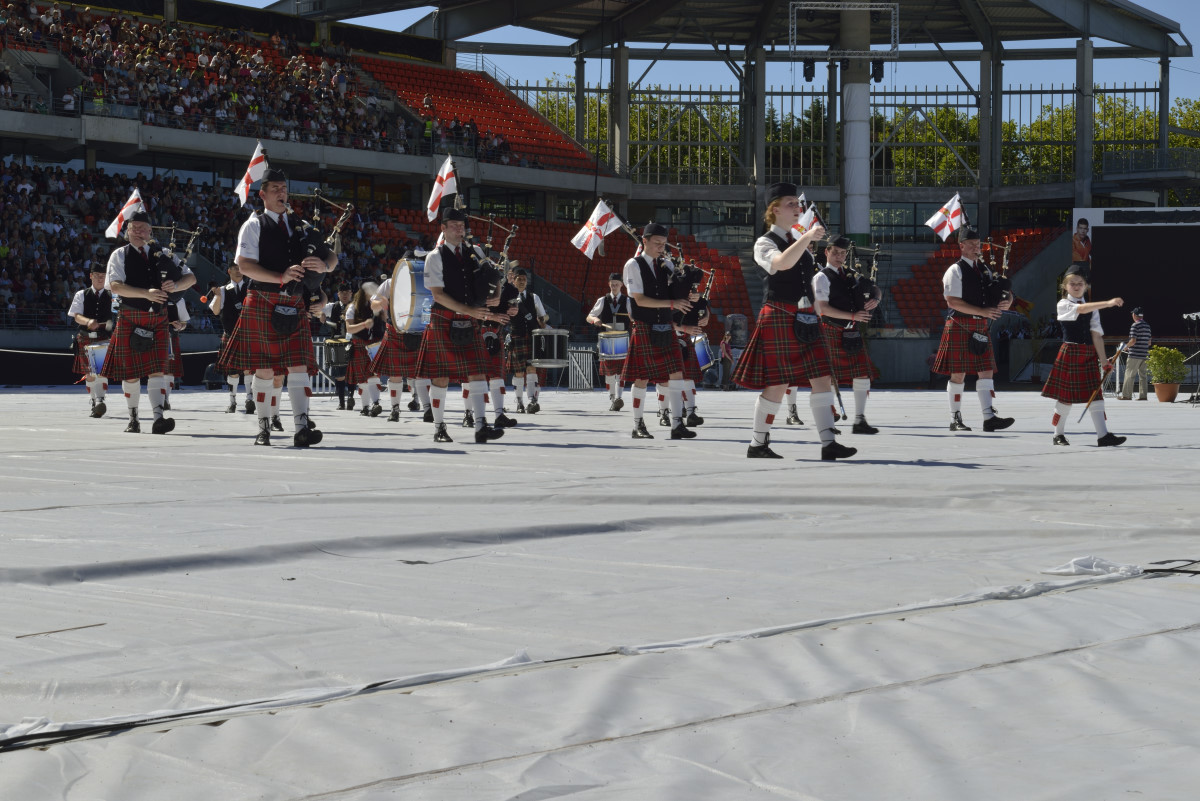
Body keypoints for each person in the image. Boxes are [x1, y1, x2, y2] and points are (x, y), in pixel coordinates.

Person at [732, 184, 855, 460]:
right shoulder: (765, 243)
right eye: (790, 203)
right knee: (777, 382)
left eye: (797, 204)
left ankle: (828, 442)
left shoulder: (800, 244)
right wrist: (808, 236)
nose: (797, 207)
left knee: (822, 378)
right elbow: (782, 264)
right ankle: (757, 443)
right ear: (774, 209)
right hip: (779, 314)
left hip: (806, 317)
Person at [218, 167, 337, 447]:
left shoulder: (303, 226)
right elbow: (245, 266)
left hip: (294, 302)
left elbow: (330, 257)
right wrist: (280, 277)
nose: (281, 193)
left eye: (284, 188)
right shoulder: (254, 225)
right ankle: (263, 428)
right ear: (263, 194)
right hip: (263, 298)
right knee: (265, 370)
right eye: (275, 189)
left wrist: (325, 267)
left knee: (298, 367)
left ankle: (301, 427)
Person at [411, 206, 509, 444]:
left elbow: (492, 274)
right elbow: (437, 295)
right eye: (453, 226)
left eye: (462, 226)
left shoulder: (475, 251)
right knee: (441, 377)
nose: (459, 229)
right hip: (444, 319)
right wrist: (470, 310)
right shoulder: (435, 257)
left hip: (468, 319)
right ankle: (439, 427)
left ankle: (481, 426)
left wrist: (495, 294)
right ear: (443, 228)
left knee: (477, 373)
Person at [104, 210, 196, 434]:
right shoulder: (120, 254)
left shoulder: (163, 253)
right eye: (133, 228)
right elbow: (115, 286)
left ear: (150, 231)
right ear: (127, 232)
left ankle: (158, 418)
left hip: (158, 318)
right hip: (130, 315)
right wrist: (147, 293)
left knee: (157, 369)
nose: (137, 232)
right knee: (131, 372)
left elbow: (191, 278)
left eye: (142, 228)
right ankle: (133, 418)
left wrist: (176, 286)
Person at [931, 226, 1015, 432]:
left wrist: (1008, 300)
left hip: (980, 325)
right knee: (958, 374)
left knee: (986, 371)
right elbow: (952, 302)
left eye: (978, 244)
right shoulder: (955, 270)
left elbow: (1000, 293)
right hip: (960, 324)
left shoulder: (985, 269)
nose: (976, 247)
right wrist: (984, 311)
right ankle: (955, 418)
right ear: (961, 246)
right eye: (972, 244)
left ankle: (989, 417)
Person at [621, 222, 697, 441]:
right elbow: (639, 299)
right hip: (645, 326)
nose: (661, 248)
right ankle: (638, 425)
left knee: (676, 374)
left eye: (663, 244)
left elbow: (676, 289)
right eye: (656, 243)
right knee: (642, 378)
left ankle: (677, 425)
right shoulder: (633, 265)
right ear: (644, 241)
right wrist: (673, 303)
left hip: (665, 326)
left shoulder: (666, 265)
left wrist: (690, 296)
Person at [1041, 264, 1126, 446]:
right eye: (1073, 283)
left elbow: (1096, 335)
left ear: (1086, 285)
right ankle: (1058, 434)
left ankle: (1103, 436)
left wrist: (1104, 361)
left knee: (1096, 395)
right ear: (1065, 286)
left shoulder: (1092, 308)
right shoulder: (1063, 304)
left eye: (1080, 283)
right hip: (1070, 353)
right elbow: (1080, 310)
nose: (1077, 286)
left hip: (1088, 354)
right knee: (1065, 397)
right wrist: (1108, 303)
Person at [813, 235, 881, 434]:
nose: (839, 256)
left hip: (851, 331)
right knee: (825, 378)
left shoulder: (851, 274)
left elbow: (874, 288)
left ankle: (860, 420)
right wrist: (853, 315)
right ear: (826, 252)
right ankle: (827, 421)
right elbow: (822, 308)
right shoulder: (821, 277)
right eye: (835, 252)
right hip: (830, 330)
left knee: (862, 375)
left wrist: (875, 299)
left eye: (843, 253)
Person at [68, 263, 113, 417]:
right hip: (85, 338)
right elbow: (76, 316)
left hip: (104, 338)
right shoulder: (81, 294)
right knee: (90, 374)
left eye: (103, 276)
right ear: (91, 276)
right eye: (98, 275)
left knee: (101, 371)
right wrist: (88, 322)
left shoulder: (112, 294)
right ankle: (94, 401)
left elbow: (118, 313)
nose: (101, 278)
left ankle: (100, 400)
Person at [209, 263, 254, 413]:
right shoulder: (222, 290)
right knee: (232, 371)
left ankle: (249, 399)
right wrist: (218, 297)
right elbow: (215, 312)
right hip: (229, 334)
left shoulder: (251, 289)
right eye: (235, 268)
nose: (239, 271)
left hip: (248, 334)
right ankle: (232, 401)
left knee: (249, 369)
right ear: (229, 271)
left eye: (241, 268)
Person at [586, 272, 632, 410]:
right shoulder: (602, 300)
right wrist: (595, 320)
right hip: (606, 339)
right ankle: (613, 397)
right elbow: (589, 317)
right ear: (609, 284)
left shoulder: (628, 301)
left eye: (617, 284)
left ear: (621, 285)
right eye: (612, 284)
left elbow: (634, 317)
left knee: (620, 372)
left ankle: (618, 398)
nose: (614, 286)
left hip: (622, 339)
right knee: (609, 373)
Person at [506, 268, 548, 415]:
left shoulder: (534, 297)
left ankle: (532, 401)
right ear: (514, 280)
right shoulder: (508, 296)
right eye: (519, 278)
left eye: (524, 278)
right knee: (518, 372)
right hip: (516, 336)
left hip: (532, 337)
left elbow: (543, 316)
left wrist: (542, 326)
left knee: (532, 369)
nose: (522, 281)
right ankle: (519, 402)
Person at [344, 283, 384, 417]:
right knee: (363, 378)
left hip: (374, 344)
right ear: (363, 293)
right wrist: (364, 325)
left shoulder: (375, 305)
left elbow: (385, 319)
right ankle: (366, 407)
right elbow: (349, 329)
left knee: (373, 375)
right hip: (359, 344)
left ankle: (376, 403)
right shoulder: (352, 308)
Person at [323, 283, 354, 410]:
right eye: (342, 293)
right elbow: (317, 309)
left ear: (351, 293)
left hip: (353, 342)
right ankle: (341, 402)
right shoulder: (332, 307)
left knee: (352, 372)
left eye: (347, 292)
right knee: (340, 375)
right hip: (337, 343)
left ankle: (351, 397)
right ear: (338, 294)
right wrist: (321, 315)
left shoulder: (355, 307)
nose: (345, 295)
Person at [1119, 307, 1151, 401]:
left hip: (1134, 354)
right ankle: (1143, 396)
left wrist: (1126, 346)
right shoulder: (1147, 326)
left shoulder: (1135, 325)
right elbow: (1149, 342)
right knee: (1143, 376)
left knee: (1129, 374)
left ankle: (1126, 395)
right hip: (1145, 354)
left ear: (1134, 315)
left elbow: (1133, 341)